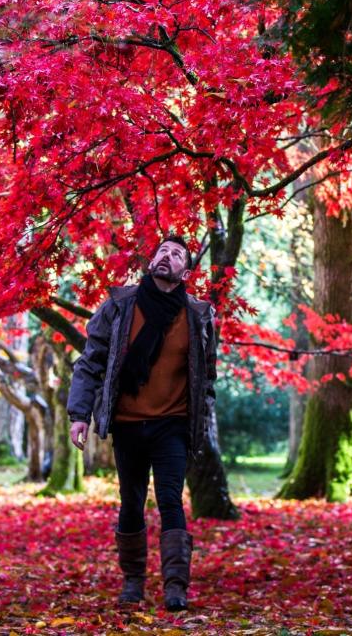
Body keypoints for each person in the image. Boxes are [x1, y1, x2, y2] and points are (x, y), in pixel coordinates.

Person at [67, 235, 219, 611]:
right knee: (131, 502)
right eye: (162, 251)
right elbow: (91, 362)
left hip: (172, 424)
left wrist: (201, 417)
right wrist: (79, 415)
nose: (167, 257)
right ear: (152, 261)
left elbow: (208, 377)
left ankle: (175, 587)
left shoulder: (198, 315)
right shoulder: (120, 305)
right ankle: (133, 581)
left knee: (170, 499)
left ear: (186, 271)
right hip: (128, 423)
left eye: (177, 254)